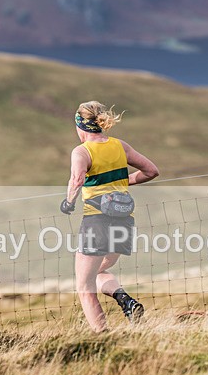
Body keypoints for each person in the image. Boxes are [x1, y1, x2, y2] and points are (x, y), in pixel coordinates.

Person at [60, 101, 159, 332]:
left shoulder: (81, 151)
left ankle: (103, 338)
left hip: (97, 222)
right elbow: (151, 171)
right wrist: (125, 181)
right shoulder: (120, 146)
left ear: (80, 126)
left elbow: (76, 180)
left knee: (84, 286)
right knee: (99, 272)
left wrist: (68, 202)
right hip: (124, 220)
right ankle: (126, 301)